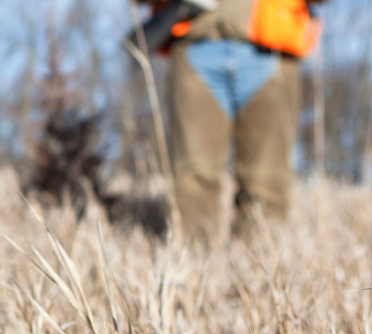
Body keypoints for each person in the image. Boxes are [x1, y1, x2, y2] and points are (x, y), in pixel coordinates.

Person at [136, 0, 323, 243]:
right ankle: (194, 271)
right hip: (196, 42)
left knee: (267, 183)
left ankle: (261, 272)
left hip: (274, 43)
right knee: (193, 179)